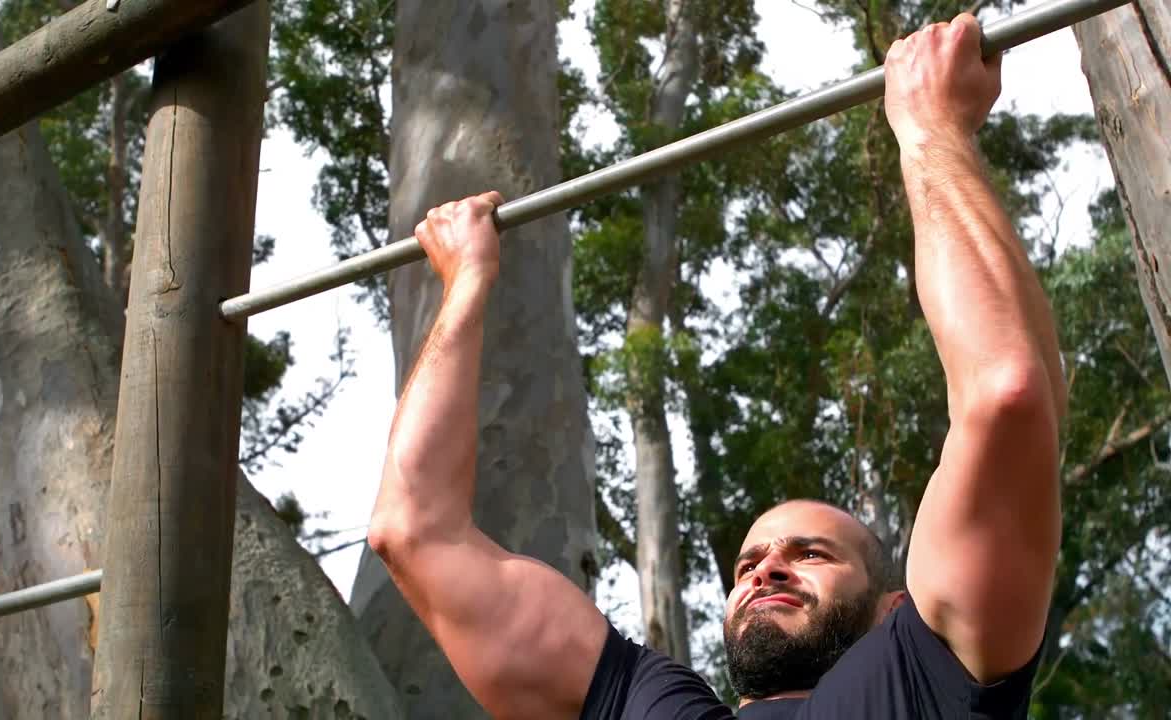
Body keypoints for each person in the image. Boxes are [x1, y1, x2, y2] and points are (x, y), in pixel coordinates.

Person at [366, 11, 1067, 720]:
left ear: (891, 610)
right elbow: (413, 531)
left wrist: (930, 129)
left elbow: (1007, 394)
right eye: (747, 564)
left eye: (812, 554)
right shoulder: (651, 705)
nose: (766, 567)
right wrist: (467, 283)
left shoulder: (919, 683)